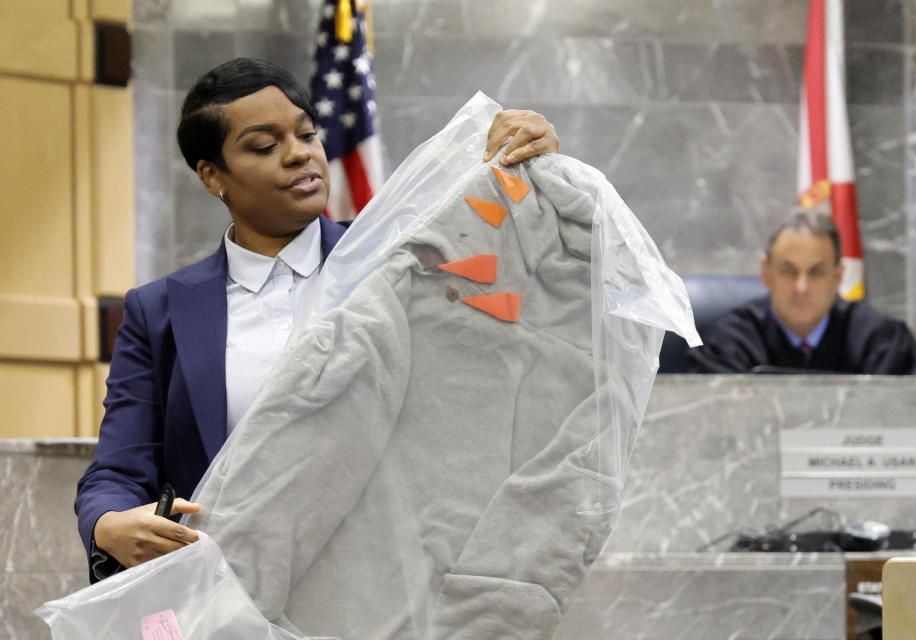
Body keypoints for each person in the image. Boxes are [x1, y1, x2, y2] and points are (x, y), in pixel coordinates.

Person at [75, 57, 562, 582]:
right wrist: (108, 524)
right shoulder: (160, 310)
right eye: (264, 146)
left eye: (307, 134)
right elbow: (119, 468)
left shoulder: (403, 257)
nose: (299, 154)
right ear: (213, 175)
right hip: (231, 595)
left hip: (391, 589)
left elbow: (525, 290)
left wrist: (537, 170)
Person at [685, 208, 916, 374]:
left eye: (816, 272)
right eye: (788, 270)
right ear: (766, 272)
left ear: (838, 276)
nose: (801, 287)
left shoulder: (882, 342)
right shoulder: (730, 342)